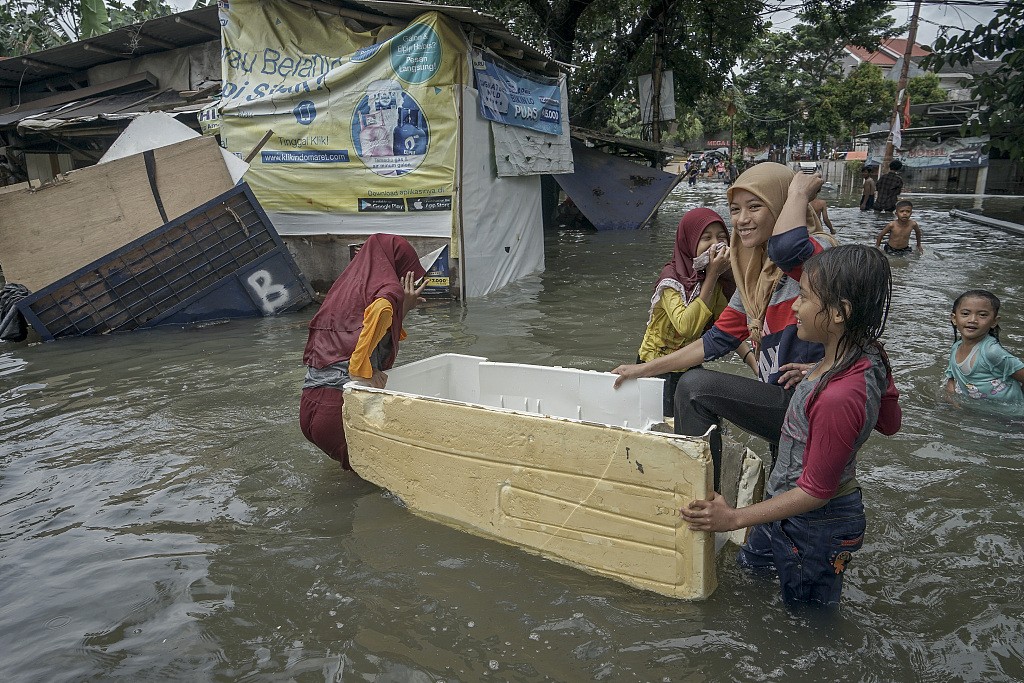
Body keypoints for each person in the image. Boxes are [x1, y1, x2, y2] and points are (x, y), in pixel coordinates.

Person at [681, 245, 901, 606]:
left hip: (814, 524)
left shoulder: (838, 395)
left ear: (840, 313)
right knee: (753, 573)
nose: (794, 307)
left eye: (804, 297)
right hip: (783, 508)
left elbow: (816, 493)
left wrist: (732, 519)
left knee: (806, 618)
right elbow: (890, 422)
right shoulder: (867, 353)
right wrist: (815, 376)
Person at [612, 163, 834, 491]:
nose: (741, 220)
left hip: (814, 400)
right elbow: (716, 339)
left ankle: (701, 497)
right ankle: (712, 503)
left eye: (755, 207)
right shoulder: (751, 276)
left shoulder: (819, 257)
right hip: (782, 396)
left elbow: (789, 250)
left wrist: (798, 193)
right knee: (782, 489)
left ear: (781, 206)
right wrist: (641, 370)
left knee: (694, 386)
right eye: (735, 209)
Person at [299, 234, 427, 469]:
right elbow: (377, 320)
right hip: (337, 407)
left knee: (353, 482)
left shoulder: (347, 288)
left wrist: (404, 309)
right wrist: (365, 372)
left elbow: (360, 334)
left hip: (310, 402)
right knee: (381, 481)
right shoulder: (387, 293)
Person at [636, 208, 755, 420]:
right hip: (655, 369)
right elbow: (686, 326)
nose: (715, 244)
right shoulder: (671, 281)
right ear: (689, 242)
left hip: (688, 365)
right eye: (706, 238)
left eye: (721, 237)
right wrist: (712, 276)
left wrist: (752, 361)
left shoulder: (716, 283)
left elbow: (726, 327)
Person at [944, 289, 1024, 412]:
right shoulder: (956, 347)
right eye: (965, 313)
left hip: (1014, 415)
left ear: (994, 321)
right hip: (984, 412)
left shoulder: (992, 352)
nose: (973, 320)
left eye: (982, 315)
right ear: (954, 319)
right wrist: (952, 399)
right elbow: (951, 378)